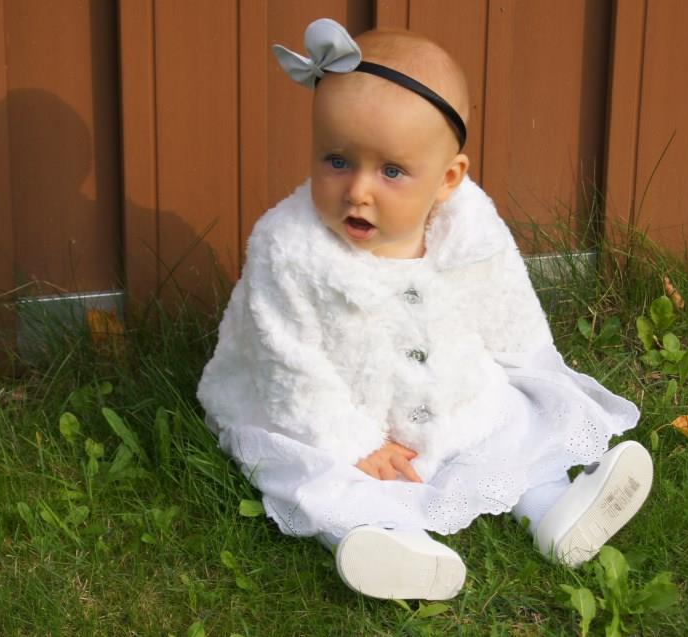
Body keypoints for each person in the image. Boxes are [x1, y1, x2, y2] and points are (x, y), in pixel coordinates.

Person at [197, 18, 652, 601]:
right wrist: (355, 442)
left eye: (391, 171)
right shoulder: (288, 247)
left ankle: (554, 509)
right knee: (317, 474)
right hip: (331, 407)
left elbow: (504, 297)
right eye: (336, 161)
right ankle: (386, 542)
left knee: (504, 426)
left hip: (447, 392)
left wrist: (528, 362)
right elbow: (286, 361)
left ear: (447, 178)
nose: (358, 190)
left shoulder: (467, 221)